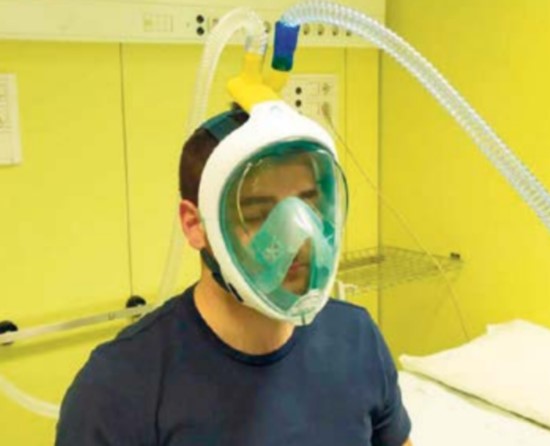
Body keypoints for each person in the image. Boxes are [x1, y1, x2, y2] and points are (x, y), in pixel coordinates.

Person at [55, 99, 412, 446]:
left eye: (309, 205)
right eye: (257, 214)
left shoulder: (356, 338)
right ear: (195, 225)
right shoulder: (119, 388)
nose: (299, 235)